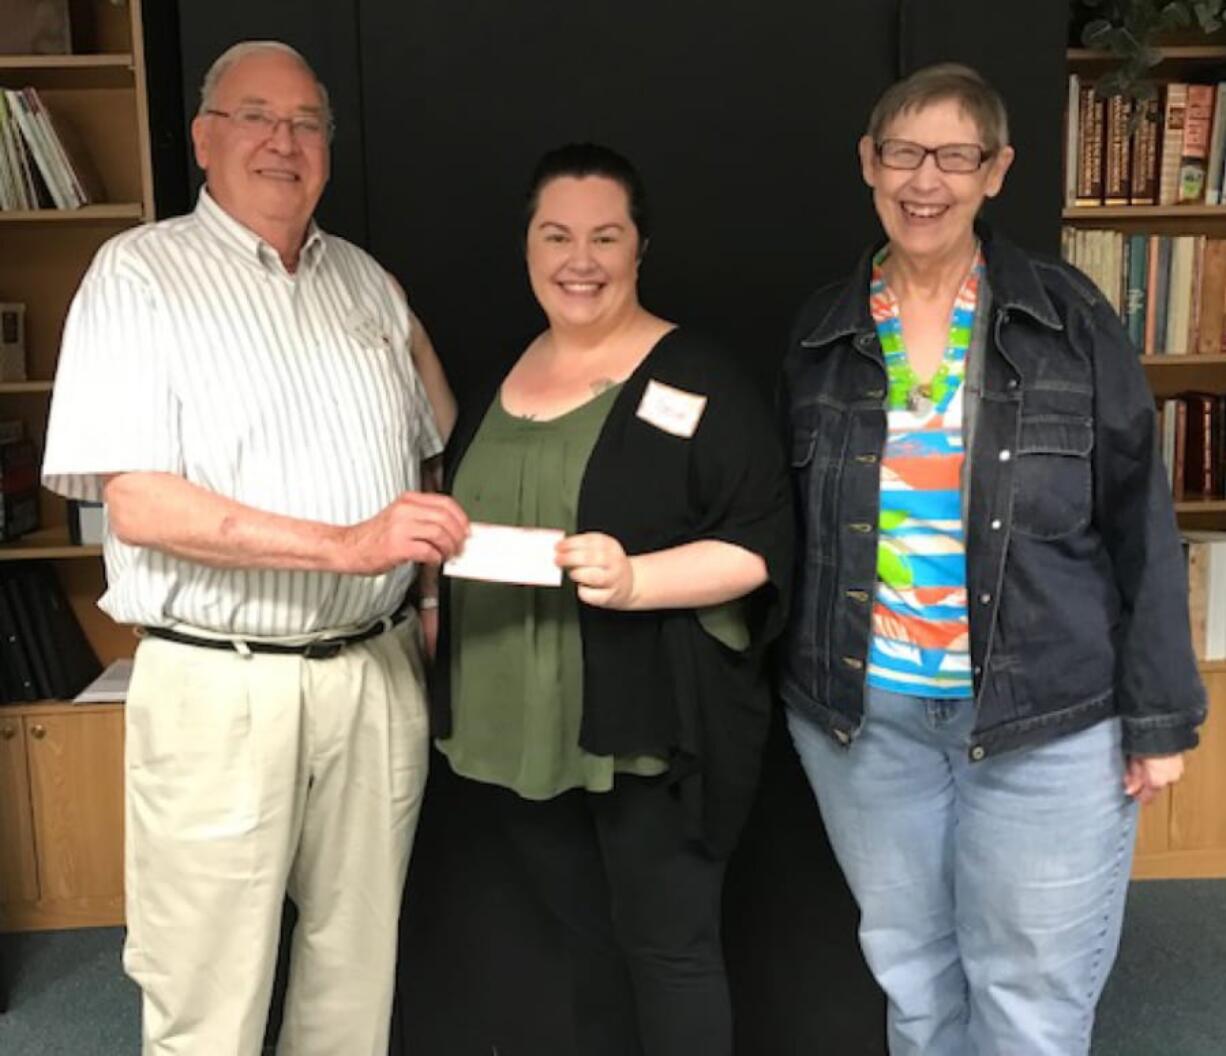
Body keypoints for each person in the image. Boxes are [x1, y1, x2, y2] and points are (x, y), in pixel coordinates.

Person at [41, 41, 467, 1056]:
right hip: (219, 688)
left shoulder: (365, 283)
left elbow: (433, 449)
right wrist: (348, 545)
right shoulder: (137, 274)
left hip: (372, 676)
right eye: (253, 116)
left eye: (307, 122)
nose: (282, 141)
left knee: (355, 982)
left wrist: (428, 599)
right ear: (202, 138)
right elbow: (139, 503)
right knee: (207, 993)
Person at [779, 63, 1207, 1056]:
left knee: (1028, 1001)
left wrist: (1159, 716)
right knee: (913, 978)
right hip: (868, 725)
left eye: (953, 156)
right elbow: (792, 527)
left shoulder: (1065, 320)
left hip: (1044, 720)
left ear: (995, 170)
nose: (922, 181)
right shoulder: (820, 333)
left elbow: (1139, 517)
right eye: (900, 153)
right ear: (866, 163)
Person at [430, 142, 791, 1056]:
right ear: (527, 249)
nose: (578, 260)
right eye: (556, 235)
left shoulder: (696, 376)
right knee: (584, 945)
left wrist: (638, 580)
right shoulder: (502, 379)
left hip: (647, 725)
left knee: (670, 953)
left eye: (604, 236)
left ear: (639, 249)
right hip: (515, 721)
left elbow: (759, 545)